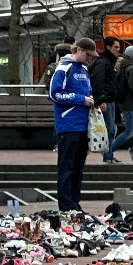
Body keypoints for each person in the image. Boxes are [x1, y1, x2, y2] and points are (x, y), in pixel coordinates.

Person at [49, 38, 96, 213]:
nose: (89, 58)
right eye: (87, 54)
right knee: (67, 167)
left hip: (83, 124)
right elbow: (54, 94)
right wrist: (80, 99)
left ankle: (75, 203)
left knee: (77, 168)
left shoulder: (84, 70)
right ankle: (66, 205)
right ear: (78, 50)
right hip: (68, 124)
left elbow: (88, 92)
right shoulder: (63, 68)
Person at [110, 46, 133, 163]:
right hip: (132, 104)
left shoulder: (124, 68)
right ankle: (109, 151)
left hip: (129, 104)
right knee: (130, 131)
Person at [91, 37, 121, 164]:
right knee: (109, 129)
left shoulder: (107, 62)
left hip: (110, 100)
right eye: (116, 47)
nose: (118, 50)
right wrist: (101, 100)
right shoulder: (104, 63)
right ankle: (108, 155)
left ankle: (109, 154)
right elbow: (98, 81)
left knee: (111, 129)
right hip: (107, 100)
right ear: (108, 47)